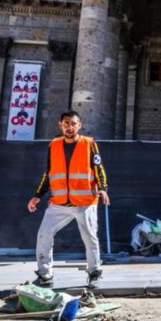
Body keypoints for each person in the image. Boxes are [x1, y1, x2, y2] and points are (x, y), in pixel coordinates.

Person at [26, 110, 110, 289]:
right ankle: (45, 275)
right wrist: (37, 196)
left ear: (79, 125)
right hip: (59, 203)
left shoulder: (89, 144)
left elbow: (99, 169)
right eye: (66, 124)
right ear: (60, 125)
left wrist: (103, 189)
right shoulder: (54, 145)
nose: (70, 127)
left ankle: (94, 273)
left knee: (90, 237)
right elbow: (48, 173)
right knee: (44, 234)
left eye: (73, 124)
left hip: (85, 202)